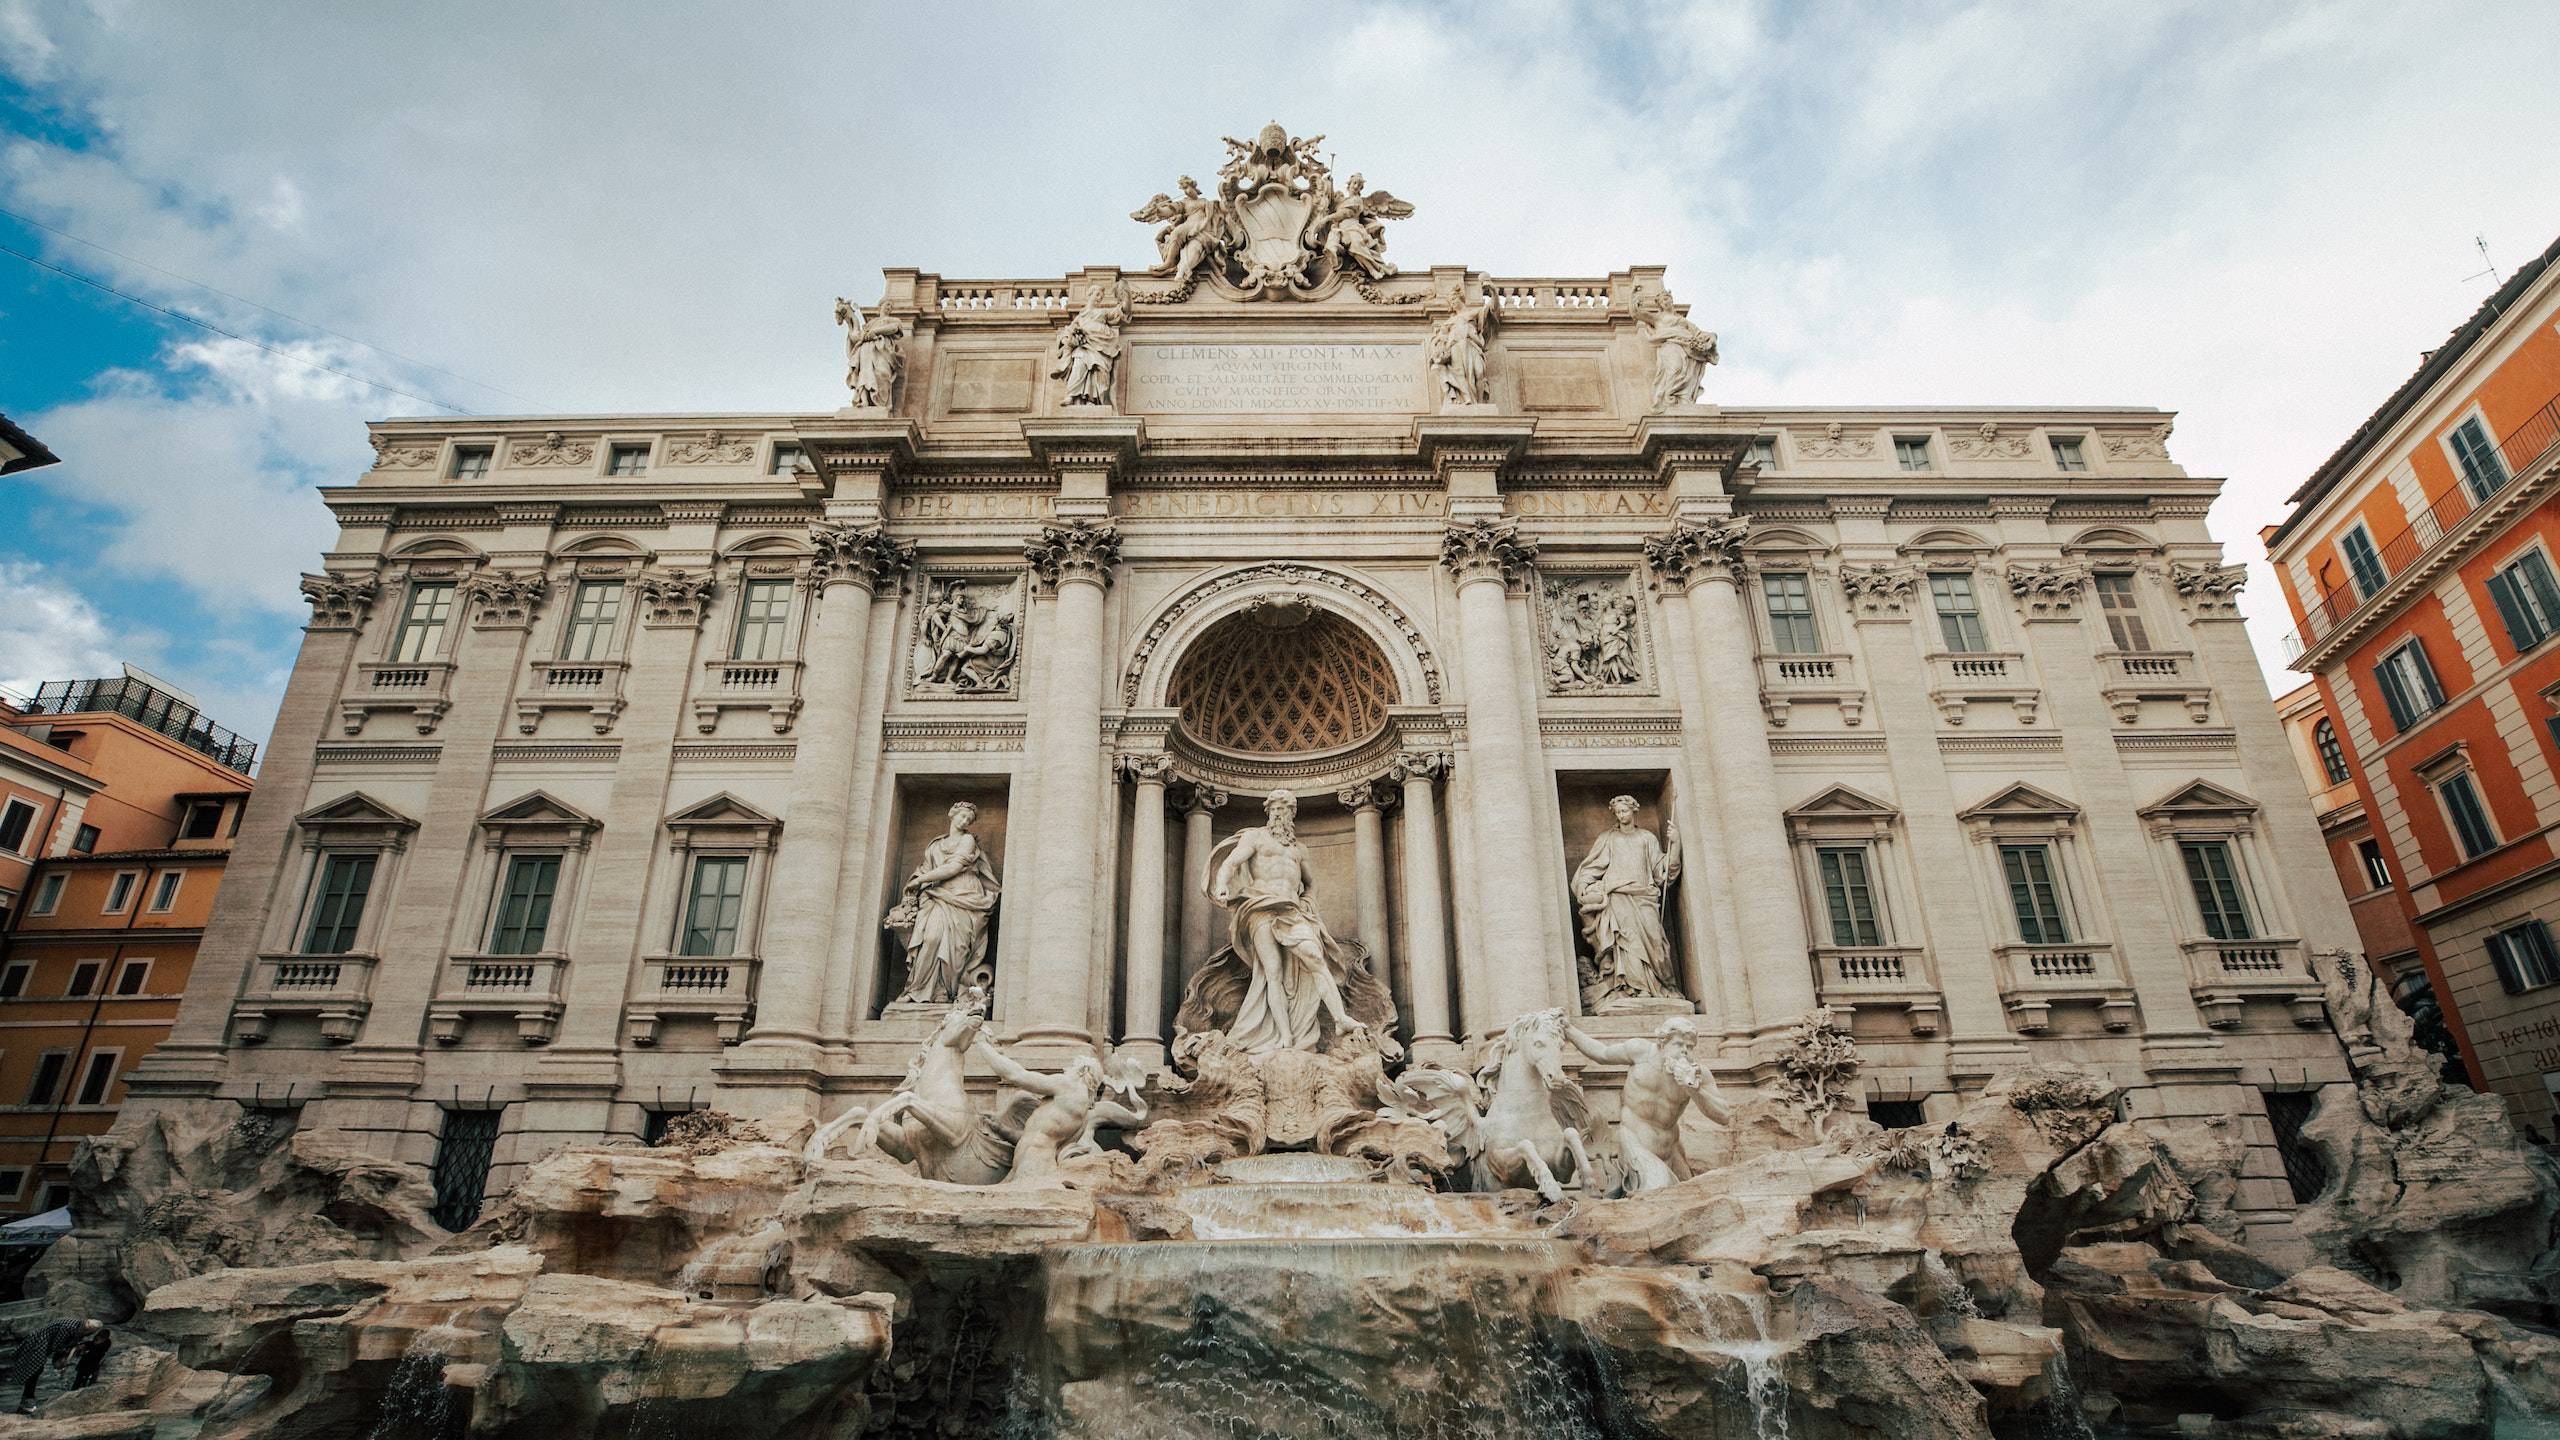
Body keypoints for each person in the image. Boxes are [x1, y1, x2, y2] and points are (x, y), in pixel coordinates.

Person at [8, 1318, 101, 1414]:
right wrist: (68, 1351)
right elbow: (57, 1345)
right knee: (34, 1371)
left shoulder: (78, 1325)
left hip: (43, 1343)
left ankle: (26, 1401)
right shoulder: (69, 1328)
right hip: (39, 1342)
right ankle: (27, 1401)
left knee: (36, 1371)